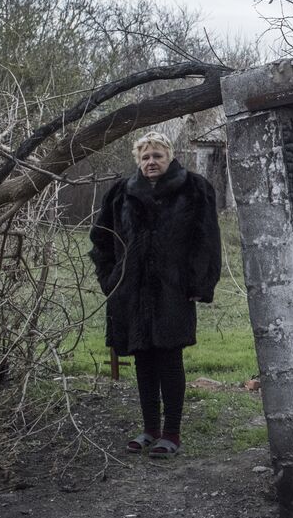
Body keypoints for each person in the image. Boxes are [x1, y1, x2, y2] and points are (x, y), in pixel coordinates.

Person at [88, 131, 222, 459]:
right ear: (138, 160)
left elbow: (207, 240)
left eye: (157, 156)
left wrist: (199, 285)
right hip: (130, 292)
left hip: (173, 290)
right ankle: (150, 430)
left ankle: (171, 433)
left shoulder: (194, 188)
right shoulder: (121, 193)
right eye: (145, 157)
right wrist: (110, 279)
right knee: (143, 359)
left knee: (169, 359)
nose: (151, 162)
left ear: (169, 156)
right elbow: (100, 239)